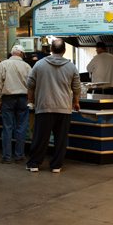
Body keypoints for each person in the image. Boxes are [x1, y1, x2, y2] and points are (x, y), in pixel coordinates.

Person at [26, 38, 81, 173]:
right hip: (64, 108)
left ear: (51, 49)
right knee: (61, 139)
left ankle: (34, 164)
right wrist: (76, 102)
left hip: (44, 107)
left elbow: (30, 85)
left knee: (40, 138)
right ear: (64, 50)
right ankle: (56, 165)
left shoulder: (39, 64)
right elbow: (77, 87)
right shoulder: (71, 66)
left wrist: (31, 101)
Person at [0, 44, 32, 164]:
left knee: (7, 128)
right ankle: (19, 155)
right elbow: (31, 85)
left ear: (11, 53)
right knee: (21, 128)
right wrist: (31, 100)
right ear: (22, 54)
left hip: (8, 99)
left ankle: (6, 157)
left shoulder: (4, 64)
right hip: (23, 99)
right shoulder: (27, 66)